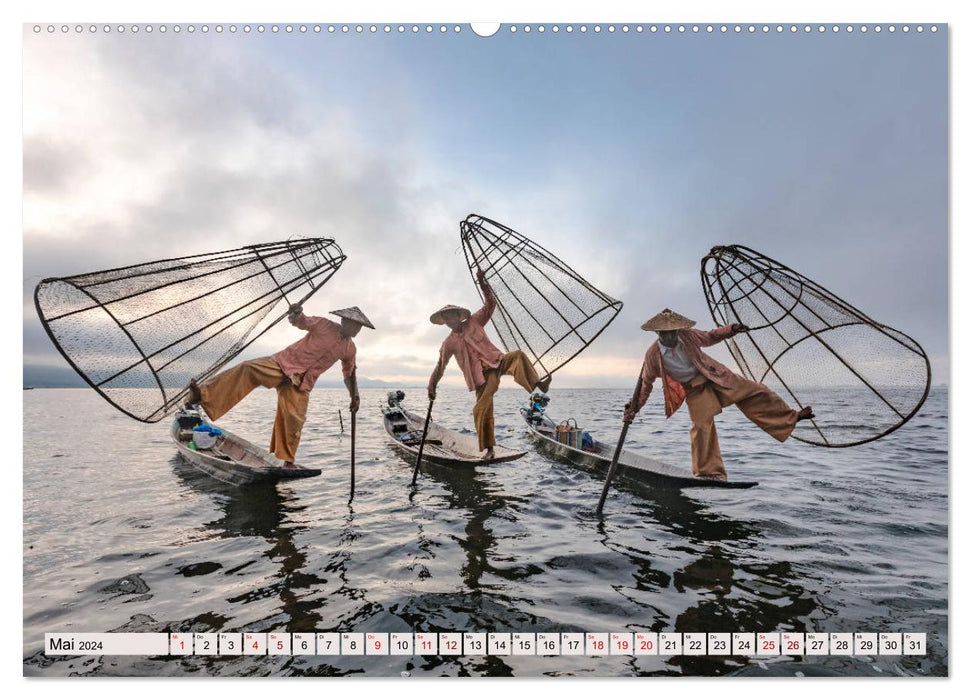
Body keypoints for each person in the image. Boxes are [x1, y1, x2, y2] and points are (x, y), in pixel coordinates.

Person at [623, 308, 814, 480]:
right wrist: (634, 407)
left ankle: (791, 417)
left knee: (758, 391)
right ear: (658, 334)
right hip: (695, 389)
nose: (672, 336)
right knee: (701, 426)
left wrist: (731, 329)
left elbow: (710, 336)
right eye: (667, 333)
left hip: (715, 376)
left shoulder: (687, 336)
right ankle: (709, 473)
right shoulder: (652, 355)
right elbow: (645, 385)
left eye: (674, 332)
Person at [185, 305, 374, 467]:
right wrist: (296, 313)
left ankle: (287, 462)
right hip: (283, 364)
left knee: (294, 419)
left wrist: (355, 396)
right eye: (353, 324)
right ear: (344, 322)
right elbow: (301, 321)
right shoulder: (324, 325)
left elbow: (349, 374)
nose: (356, 329)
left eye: (359, 327)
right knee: (247, 368)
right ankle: (201, 395)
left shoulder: (350, 349)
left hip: (302, 383)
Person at [428, 268, 551, 459]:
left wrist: (482, 283)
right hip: (481, 378)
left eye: (452, 316)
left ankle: (538, 384)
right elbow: (440, 366)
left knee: (518, 355)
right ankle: (489, 449)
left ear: (459, 316)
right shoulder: (449, 343)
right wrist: (432, 385)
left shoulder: (474, 321)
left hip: (497, 361)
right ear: (444, 322)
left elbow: (490, 304)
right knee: (481, 409)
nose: (449, 320)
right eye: (446, 318)